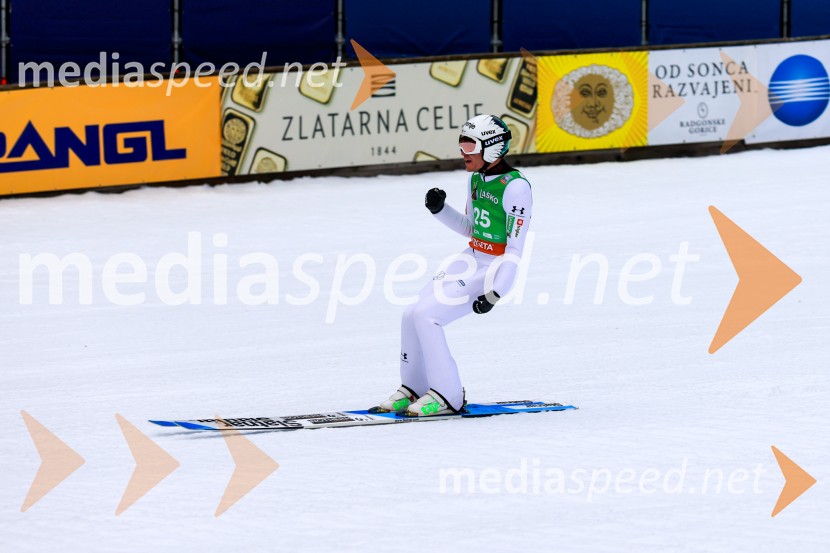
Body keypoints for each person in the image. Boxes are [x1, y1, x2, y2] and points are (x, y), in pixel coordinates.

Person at [373, 114, 534, 417]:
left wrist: (496, 293)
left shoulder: (516, 188)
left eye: (470, 146)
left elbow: (515, 249)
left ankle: (448, 395)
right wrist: (440, 210)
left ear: (492, 148)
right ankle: (414, 387)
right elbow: (471, 229)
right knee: (411, 312)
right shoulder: (475, 178)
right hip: (470, 257)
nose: (463, 153)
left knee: (428, 316)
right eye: (461, 145)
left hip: (492, 267)